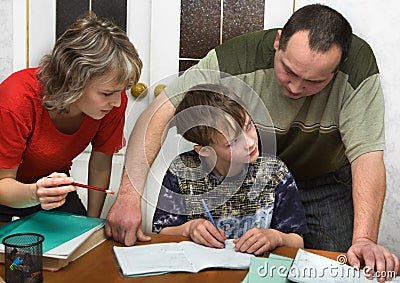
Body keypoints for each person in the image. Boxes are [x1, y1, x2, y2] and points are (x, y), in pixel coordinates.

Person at [106, 3, 399, 281]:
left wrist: (364, 240)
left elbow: (367, 157)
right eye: (289, 71)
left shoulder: (359, 67)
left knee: (333, 268)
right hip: (246, 173)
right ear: (278, 41)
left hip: (323, 180)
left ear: (338, 68)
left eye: (315, 82)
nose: (296, 88)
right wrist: (128, 198)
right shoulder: (234, 58)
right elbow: (158, 113)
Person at [0, 13, 142, 221]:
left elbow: (101, 164)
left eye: (121, 91)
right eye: (106, 93)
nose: (118, 103)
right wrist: (35, 194)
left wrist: (91, 223)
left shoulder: (111, 101)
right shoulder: (16, 99)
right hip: (7, 188)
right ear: (73, 80)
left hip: (52, 186)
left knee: (82, 248)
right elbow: (3, 183)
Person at [152, 84, 308, 254]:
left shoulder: (273, 172)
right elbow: (162, 233)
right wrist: (188, 229)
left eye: (248, 126)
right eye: (233, 142)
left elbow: (297, 241)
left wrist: (276, 237)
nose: (250, 143)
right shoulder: (183, 171)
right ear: (204, 151)